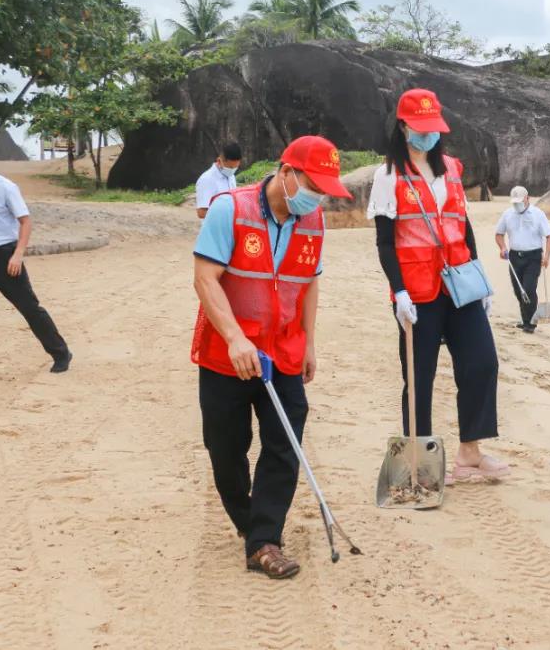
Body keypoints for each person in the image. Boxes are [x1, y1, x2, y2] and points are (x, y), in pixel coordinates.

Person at [191, 135, 351, 579]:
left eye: (324, 191)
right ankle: (250, 524)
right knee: (225, 449)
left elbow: (309, 282)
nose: (317, 198)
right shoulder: (230, 209)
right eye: (313, 186)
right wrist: (235, 338)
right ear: (286, 173)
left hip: (283, 350)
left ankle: (264, 540)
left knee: (285, 442)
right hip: (228, 353)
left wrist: (309, 343)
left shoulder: (314, 221)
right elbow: (205, 279)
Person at [367, 88, 508, 484]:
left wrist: (480, 279)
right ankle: (420, 461)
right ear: (403, 126)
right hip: (416, 291)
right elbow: (385, 242)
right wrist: (398, 292)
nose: (428, 135)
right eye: (420, 127)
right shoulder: (388, 176)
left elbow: (462, 225)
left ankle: (470, 451)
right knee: (419, 375)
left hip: (460, 283)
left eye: (433, 128)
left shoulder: (451, 168)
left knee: (482, 362)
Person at [0, 171, 72, 372]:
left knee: (29, 308)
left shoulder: (6, 187)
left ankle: (61, 353)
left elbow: (26, 222)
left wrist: (18, 254)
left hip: (6, 257)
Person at [494, 186, 550, 333]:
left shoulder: (538, 214)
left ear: (527, 198)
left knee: (528, 289)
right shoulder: (508, 214)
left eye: (520, 201)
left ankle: (530, 323)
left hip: (533, 257)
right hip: (514, 257)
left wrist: (547, 256)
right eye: (515, 202)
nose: (517, 205)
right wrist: (502, 248)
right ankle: (525, 319)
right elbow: (499, 234)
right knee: (518, 290)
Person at [195, 142, 242, 219]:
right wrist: (228, 214)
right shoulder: (207, 179)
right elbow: (201, 213)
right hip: (215, 225)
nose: (232, 170)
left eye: (235, 167)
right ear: (219, 161)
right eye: (230, 167)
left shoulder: (231, 176)